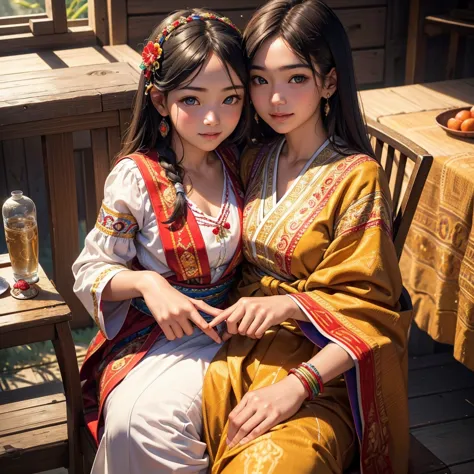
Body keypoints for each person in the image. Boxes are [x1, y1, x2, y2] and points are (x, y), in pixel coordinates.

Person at [202, 1, 412, 473]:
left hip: (328, 366)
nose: (276, 98)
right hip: (241, 343)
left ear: (330, 82)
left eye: (295, 78)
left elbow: (371, 311)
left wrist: (296, 381)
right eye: (260, 79)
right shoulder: (252, 159)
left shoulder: (358, 178)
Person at [72, 9, 249, 473]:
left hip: (243, 327)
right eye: (192, 99)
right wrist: (149, 284)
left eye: (231, 98)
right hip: (160, 337)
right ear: (158, 98)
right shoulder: (137, 178)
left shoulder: (245, 162)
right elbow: (91, 268)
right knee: (138, 424)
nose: (214, 118)